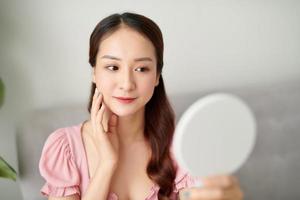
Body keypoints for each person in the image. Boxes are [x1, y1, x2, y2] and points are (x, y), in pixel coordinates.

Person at [39, 12, 244, 200]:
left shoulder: (179, 147)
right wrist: (107, 164)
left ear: (156, 76)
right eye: (113, 67)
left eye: (141, 68)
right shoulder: (65, 149)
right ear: (94, 72)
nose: (127, 84)